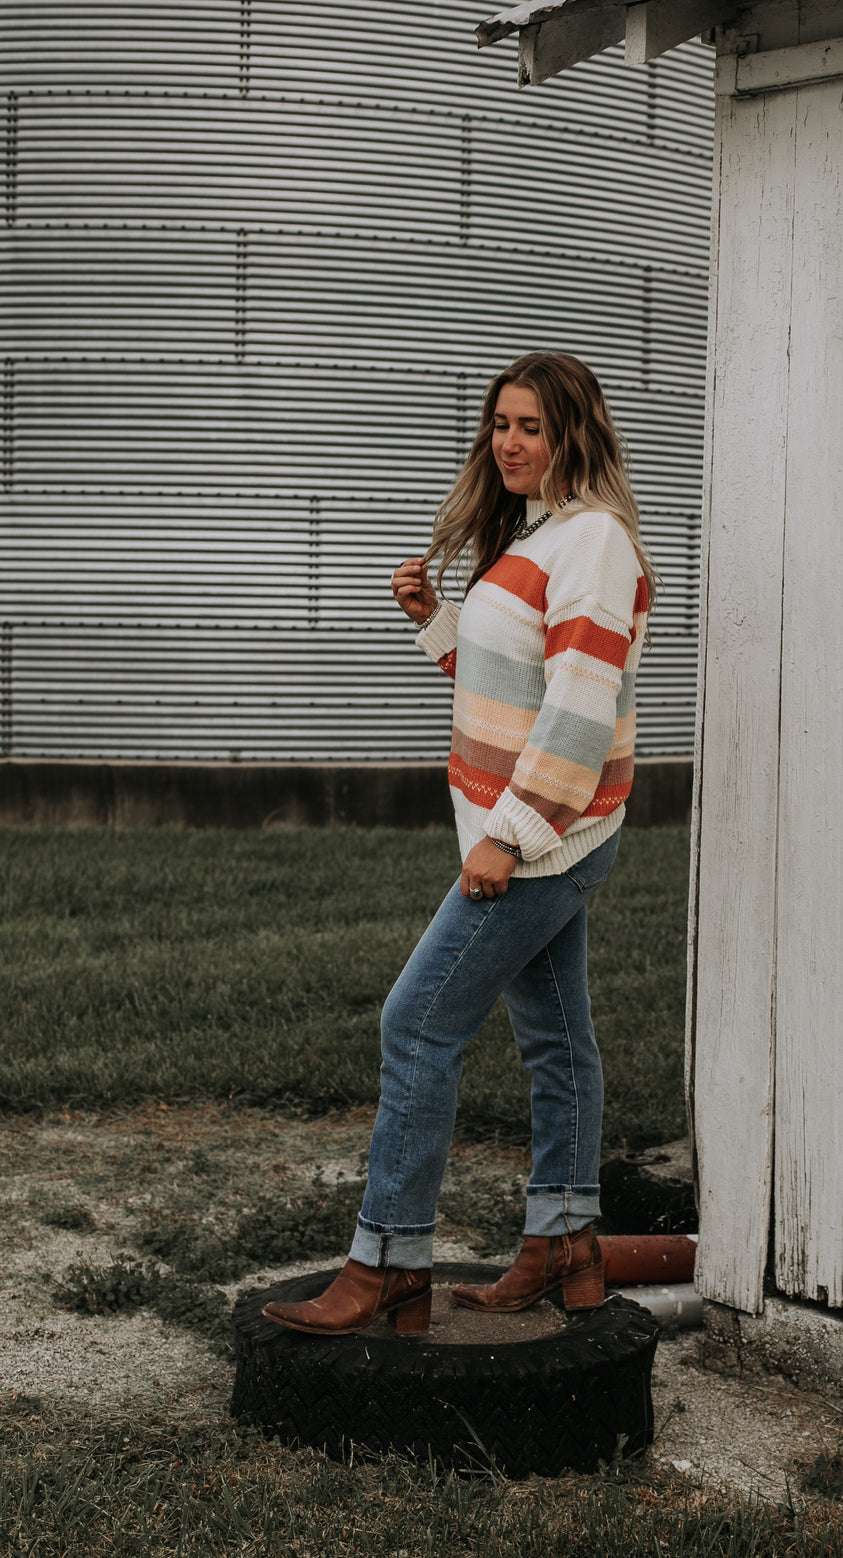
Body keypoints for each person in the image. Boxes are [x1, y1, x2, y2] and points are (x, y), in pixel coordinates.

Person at [263, 351, 654, 1337]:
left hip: (542, 840)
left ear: (574, 433)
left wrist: (512, 836)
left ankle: (387, 1260)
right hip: (538, 833)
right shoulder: (541, 533)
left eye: (530, 425)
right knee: (558, 1044)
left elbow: (576, 708)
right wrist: (437, 624)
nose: (508, 442)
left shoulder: (593, 541)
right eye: (500, 424)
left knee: (416, 1023)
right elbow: (511, 687)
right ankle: (564, 1242)